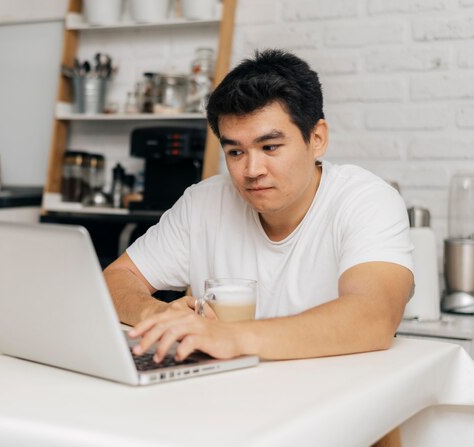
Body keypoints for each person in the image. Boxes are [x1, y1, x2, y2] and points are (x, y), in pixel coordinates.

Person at [103, 49, 414, 363]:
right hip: (225, 395)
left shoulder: (366, 200)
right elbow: (115, 279)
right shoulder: (204, 202)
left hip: (332, 396)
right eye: (235, 152)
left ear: (317, 138)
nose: (252, 170)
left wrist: (232, 338)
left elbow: (374, 317)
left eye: (270, 147)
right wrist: (158, 313)